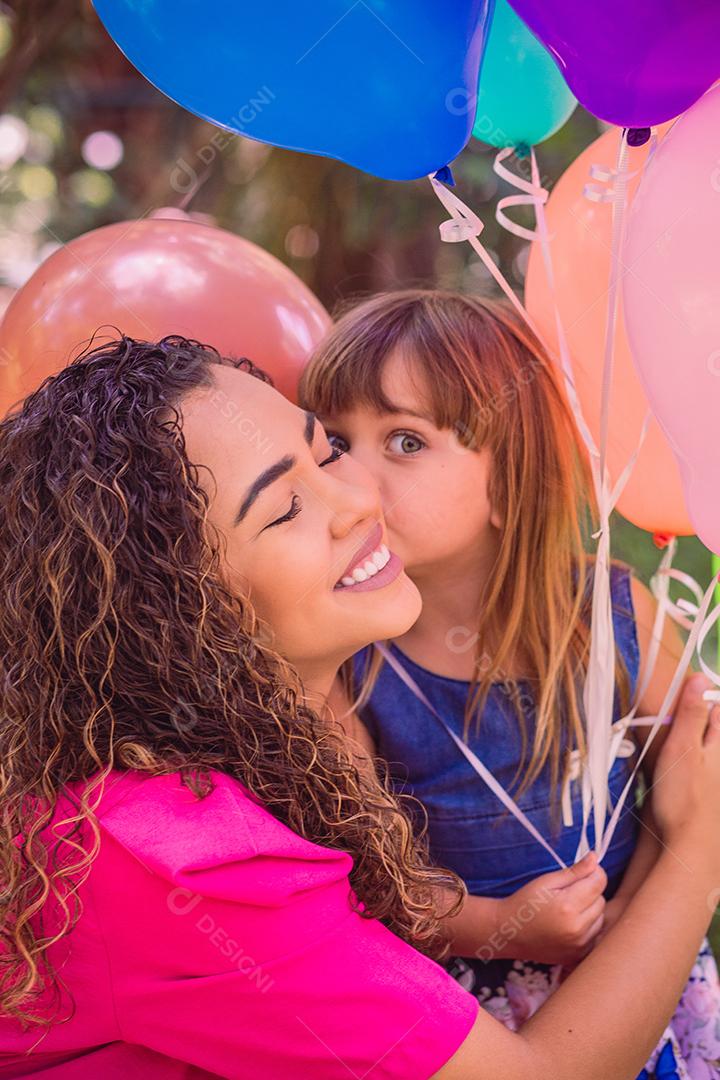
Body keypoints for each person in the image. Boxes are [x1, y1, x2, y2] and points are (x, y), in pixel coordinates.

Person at [0, 333, 717, 1080]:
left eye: (324, 452)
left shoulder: (264, 750)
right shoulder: (187, 859)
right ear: (175, 612)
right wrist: (697, 846)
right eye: (284, 510)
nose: (359, 495)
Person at [299, 289, 720, 1075]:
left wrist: (633, 915)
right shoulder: (348, 660)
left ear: (511, 476)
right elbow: (370, 874)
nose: (351, 479)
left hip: (636, 962)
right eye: (333, 443)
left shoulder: (610, 613)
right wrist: (500, 923)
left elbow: (697, 773)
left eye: (404, 442)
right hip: (468, 1008)